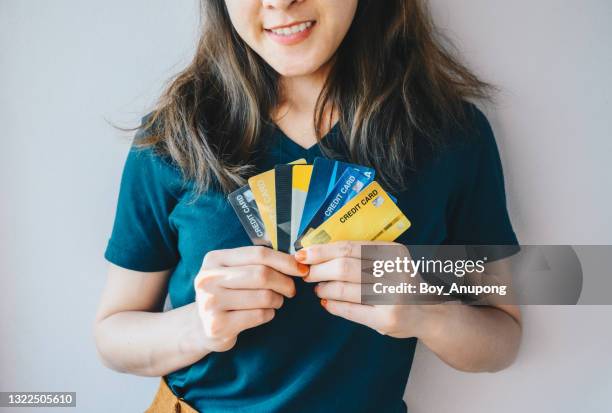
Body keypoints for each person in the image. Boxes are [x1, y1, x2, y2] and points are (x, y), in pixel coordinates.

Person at [94, 1, 522, 412]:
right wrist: (198, 326)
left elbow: (503, 336)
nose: (280, 2)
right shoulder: (174, 137)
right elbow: (112, 337)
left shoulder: (452, 137)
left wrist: (426, 311)